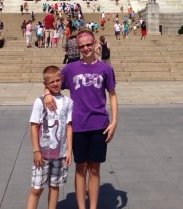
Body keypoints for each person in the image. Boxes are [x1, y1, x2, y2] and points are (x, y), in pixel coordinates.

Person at [44, 30, 118, 209]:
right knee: (80, 167)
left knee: (95, 168)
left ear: (94, 44)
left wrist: (114, 121)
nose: (85, 48)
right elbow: (53, 83)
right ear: (78, 48)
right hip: (78, 124)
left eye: (88, 44)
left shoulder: (105, 69)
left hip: (99, 124)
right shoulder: (70, 68)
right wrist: (47, 95)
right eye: (82, 46)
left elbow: (112, 95)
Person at [26, 66, 73, 209]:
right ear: (45, 84)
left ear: (62, 80)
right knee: (36, 188)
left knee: (55, 186)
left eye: (58, 80)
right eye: (51, 82)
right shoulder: (40, 101)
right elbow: (34, 126)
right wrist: (36, 151)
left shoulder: (68, 102)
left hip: (60, 153)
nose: (55, 84)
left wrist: (69, 150)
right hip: (43, 154)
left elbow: (69, 126)